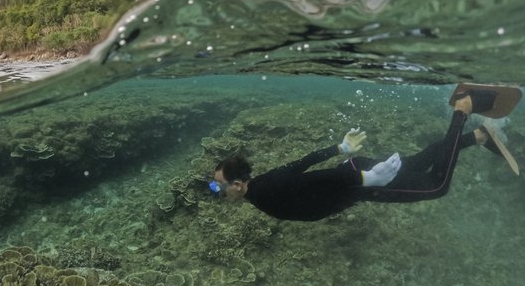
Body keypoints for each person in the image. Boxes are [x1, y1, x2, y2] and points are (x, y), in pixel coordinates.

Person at [209, 85, 518, 221]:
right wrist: (340, 149)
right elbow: (300, 165)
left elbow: (312, 184)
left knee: (436, 185)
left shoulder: (265, 193)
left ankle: (463, 110)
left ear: (237, 185)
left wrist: (364, 179)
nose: (217, 191)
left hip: (358, 181)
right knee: (420, 163)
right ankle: (477, 136)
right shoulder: (261, 185)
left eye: (218, 187)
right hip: (354, 174)